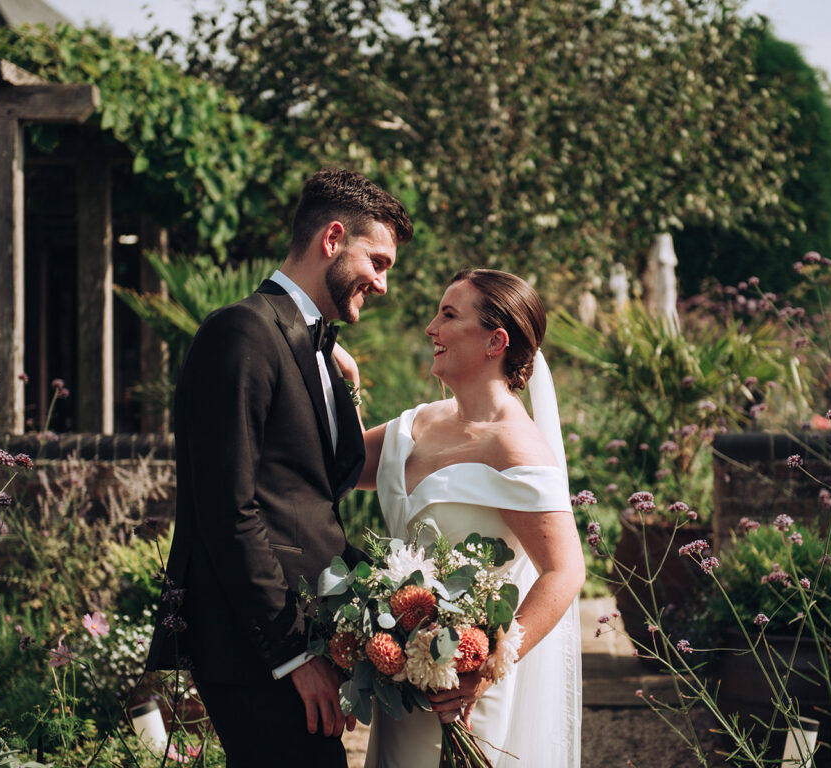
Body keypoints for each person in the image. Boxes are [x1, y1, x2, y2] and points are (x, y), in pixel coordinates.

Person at [145, 168, 413, 767]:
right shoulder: (241, 332)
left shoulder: (312, 347)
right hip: (256, 646)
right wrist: (292, 654)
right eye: (379, 261)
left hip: (303, 634)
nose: (384, 283)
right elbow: (228, 510)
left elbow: (312, 493)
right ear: (333, 238)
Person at [334, 268, 586, 768]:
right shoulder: (419, 422)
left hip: (463, 691)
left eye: (448, 315)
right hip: (404, 680)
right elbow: (341, 467)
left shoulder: (514, 444)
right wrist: (349, 385)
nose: (431, 328)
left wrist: (487, 666)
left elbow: (565, 570)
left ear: (496, 340)